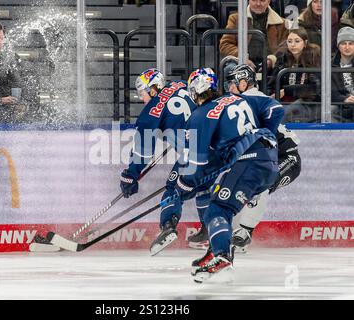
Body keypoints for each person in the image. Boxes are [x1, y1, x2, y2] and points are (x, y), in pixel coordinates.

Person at [173, 65, 283, 283]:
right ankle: (217, 251)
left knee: (217, 210)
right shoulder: (237, 98)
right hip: (269, 160)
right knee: (223, 205)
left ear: (195, 91)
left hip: (249, 162)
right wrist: (264, 132)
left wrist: (184, 187)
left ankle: (222, 256)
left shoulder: (199, 116)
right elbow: (276, 108)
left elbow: (196, 163)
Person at [188, 61, 302, 252]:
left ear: (244, 82)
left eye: (233, 83)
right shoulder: (239, 100)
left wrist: (265, 133)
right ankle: (230, 231)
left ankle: (244, 232)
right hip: (264, 155)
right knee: (236, 186)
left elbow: (275, 111)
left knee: (257, 187)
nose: (229, 88)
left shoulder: (250, 97)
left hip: (286, 157)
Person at [119, 68, 209, 256]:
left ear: (153, 89)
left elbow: (142, 152)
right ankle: (211, 231)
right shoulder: (182, 84)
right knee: (204, 186)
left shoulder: (152, 110)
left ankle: (168, 226)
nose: (142, 99)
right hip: (215, 143)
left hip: (193, 152)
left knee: (173, 188)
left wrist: (130, 176)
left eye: (142, 93)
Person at [219, 0, 288, 73]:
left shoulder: (282, 23)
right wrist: (243, 58)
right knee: (230, 69)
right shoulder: (235, 19)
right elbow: (225, 44)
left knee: (283, 70)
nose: (258, 4)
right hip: (241, 62)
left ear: (269, 1)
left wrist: (272, 60)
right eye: (254, 0)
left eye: (262, 0)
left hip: (273, 67)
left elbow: (285, 46)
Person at [268, 27, 321, 122]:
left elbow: (314, 89)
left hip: (307, 102)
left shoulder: (313, 57)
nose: (293, 45)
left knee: (284, 113)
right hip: (284, 100)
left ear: (305, 43)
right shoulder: (283, 57)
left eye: (297, 41)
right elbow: (272, 83)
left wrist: (287, 90)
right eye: (289, 41)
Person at [331, 26, 354, 122]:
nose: (347, 47)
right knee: (330, 111)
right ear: (338, 45)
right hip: (340, 103)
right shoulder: (330, 65)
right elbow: (326, 90)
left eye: (351, 43)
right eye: (343, 43)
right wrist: (344, 99)